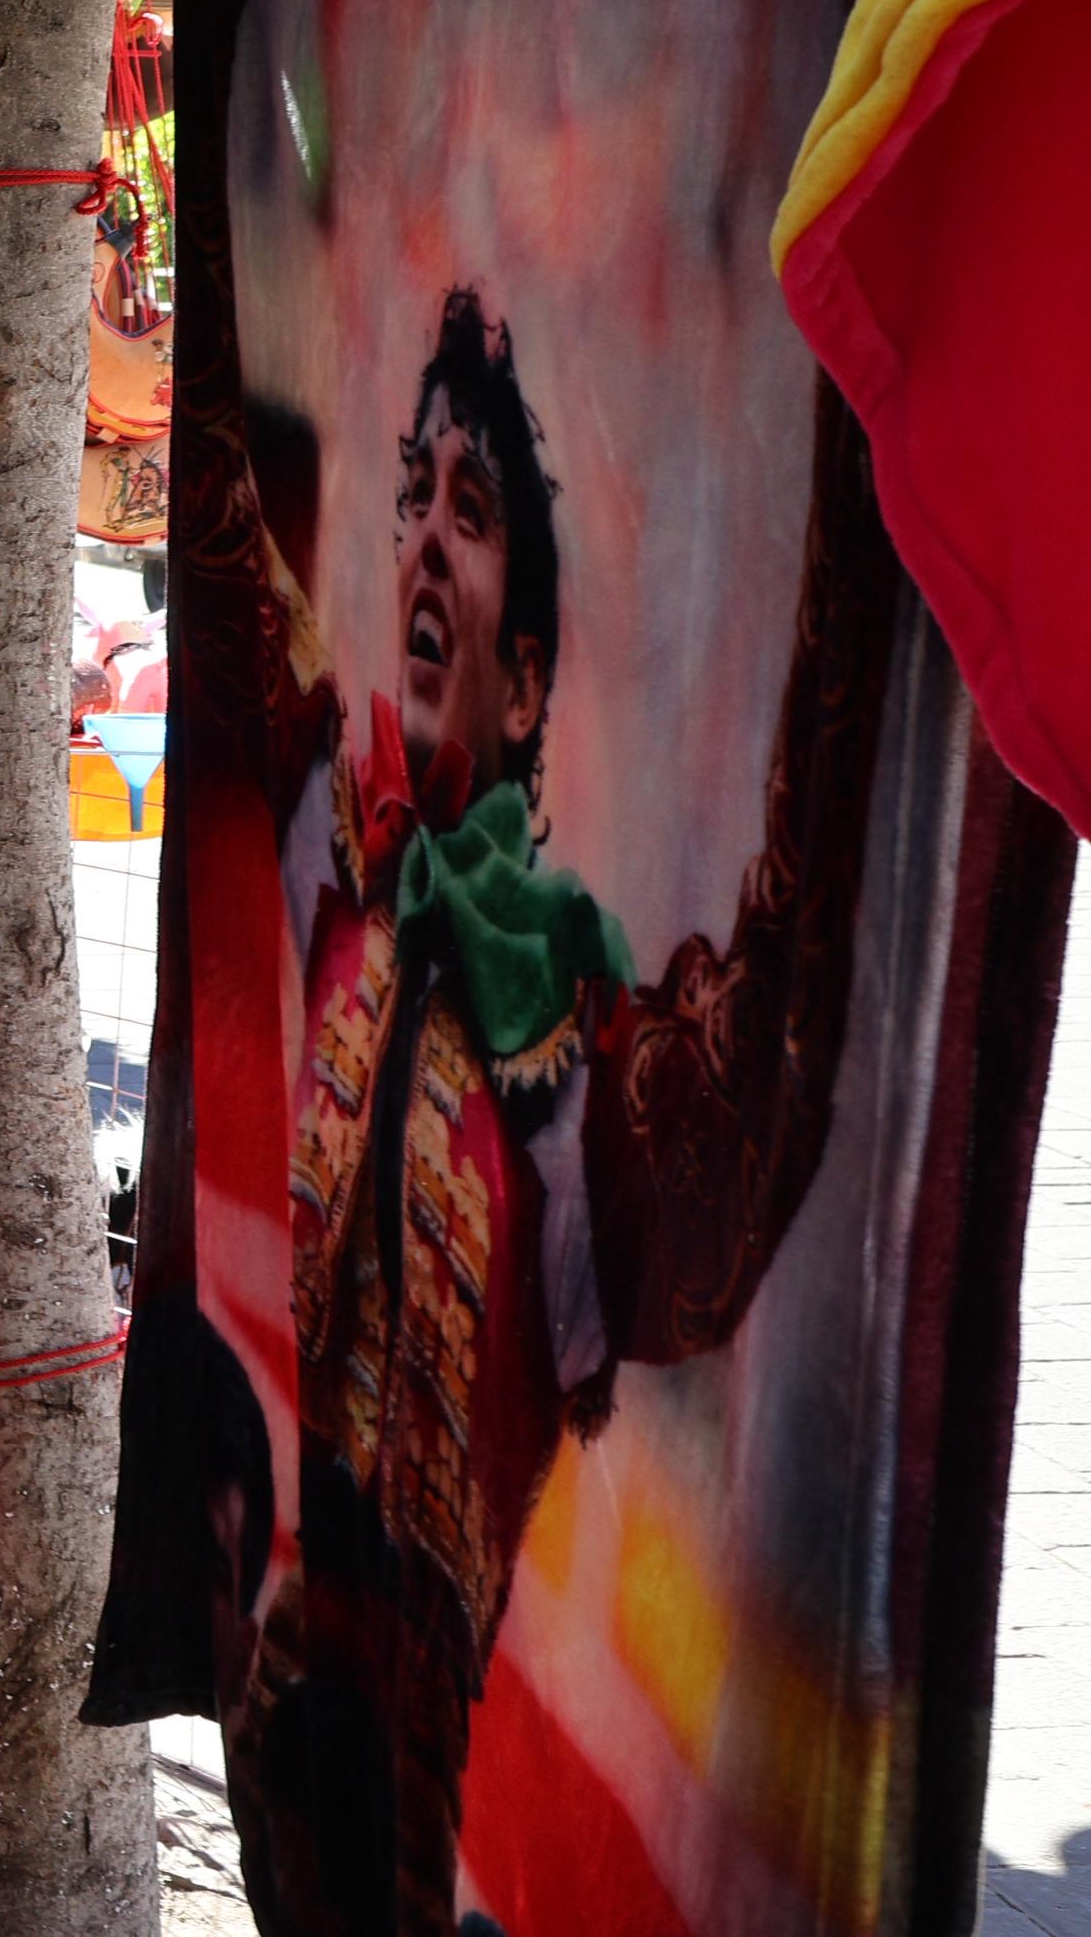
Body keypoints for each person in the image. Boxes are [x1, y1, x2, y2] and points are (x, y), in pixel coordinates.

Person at [210, 286, 868, 1934]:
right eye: (413, 494)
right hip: (278, 1710)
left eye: (474, 507)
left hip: (423, 1789)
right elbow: (224, 533)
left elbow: (785, 1011)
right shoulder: (332, 851)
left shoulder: (582, 1060)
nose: (426, 535)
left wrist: (863, 417)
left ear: (520, 685)